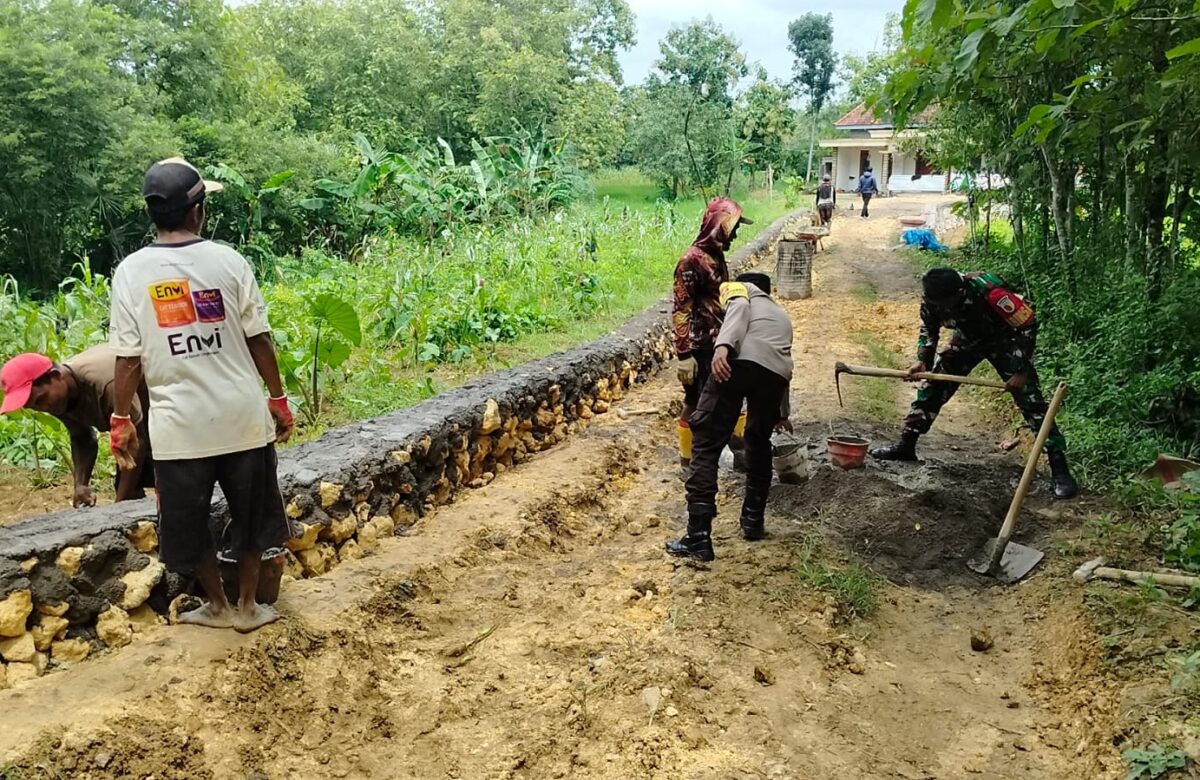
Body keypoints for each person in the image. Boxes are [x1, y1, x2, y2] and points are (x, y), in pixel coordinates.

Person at [108, 157, 296, 633]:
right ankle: (249, 606)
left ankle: (216, 605)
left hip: (177, 432)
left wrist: (119, 420)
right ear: (197, 211)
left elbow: (128, 359)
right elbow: (259, 339)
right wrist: (277, 398)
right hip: (243, 420)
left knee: (187, 527)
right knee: (252, 516)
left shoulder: (131, 273)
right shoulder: (229, 261)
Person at [871, 267, 1079, 499]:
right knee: (933, 386)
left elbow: (1027, 325)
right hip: (968, 338)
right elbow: (929, 329)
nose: (945, 309)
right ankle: (906, 445)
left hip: (1006, 340)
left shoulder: (992, 293)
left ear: (960, 292)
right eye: (941, 305)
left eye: (949, 304)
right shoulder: (933, 297)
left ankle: (1060, 471)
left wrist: (1020, 371)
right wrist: (923, 362)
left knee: (1032, 402)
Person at [667, 272, 794, 562]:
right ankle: (753, 522)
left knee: (706, 440)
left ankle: (698, 537)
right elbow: (783, 362)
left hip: (737, 364)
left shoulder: (739, 289)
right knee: (758, 441)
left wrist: (722, 347)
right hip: (773, 377)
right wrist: (782, 413)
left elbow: (738, 307)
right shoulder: (780, 316)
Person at [0, 346, 153, 507]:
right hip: (144, 424)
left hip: (169, 413)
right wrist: (81, 485)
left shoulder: (105, 384)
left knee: (165, 480)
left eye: (40, 400)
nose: (43, 408)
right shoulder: (58, 397)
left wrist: (118, 507)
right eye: (32, 406)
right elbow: (82, 438)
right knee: (132, 484)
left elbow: (136, 442)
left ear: (56, 376)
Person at [673, 197, 753, 472]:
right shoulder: (690, 261)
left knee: (730, 397)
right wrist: (684, 355)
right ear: (719, 227)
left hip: (721, 342)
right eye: (733, 228)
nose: (736, 234)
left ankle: (742, 454)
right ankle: (689, 462)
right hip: (701, 347)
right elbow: (681, 309)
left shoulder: (716, 256)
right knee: (695, 402)